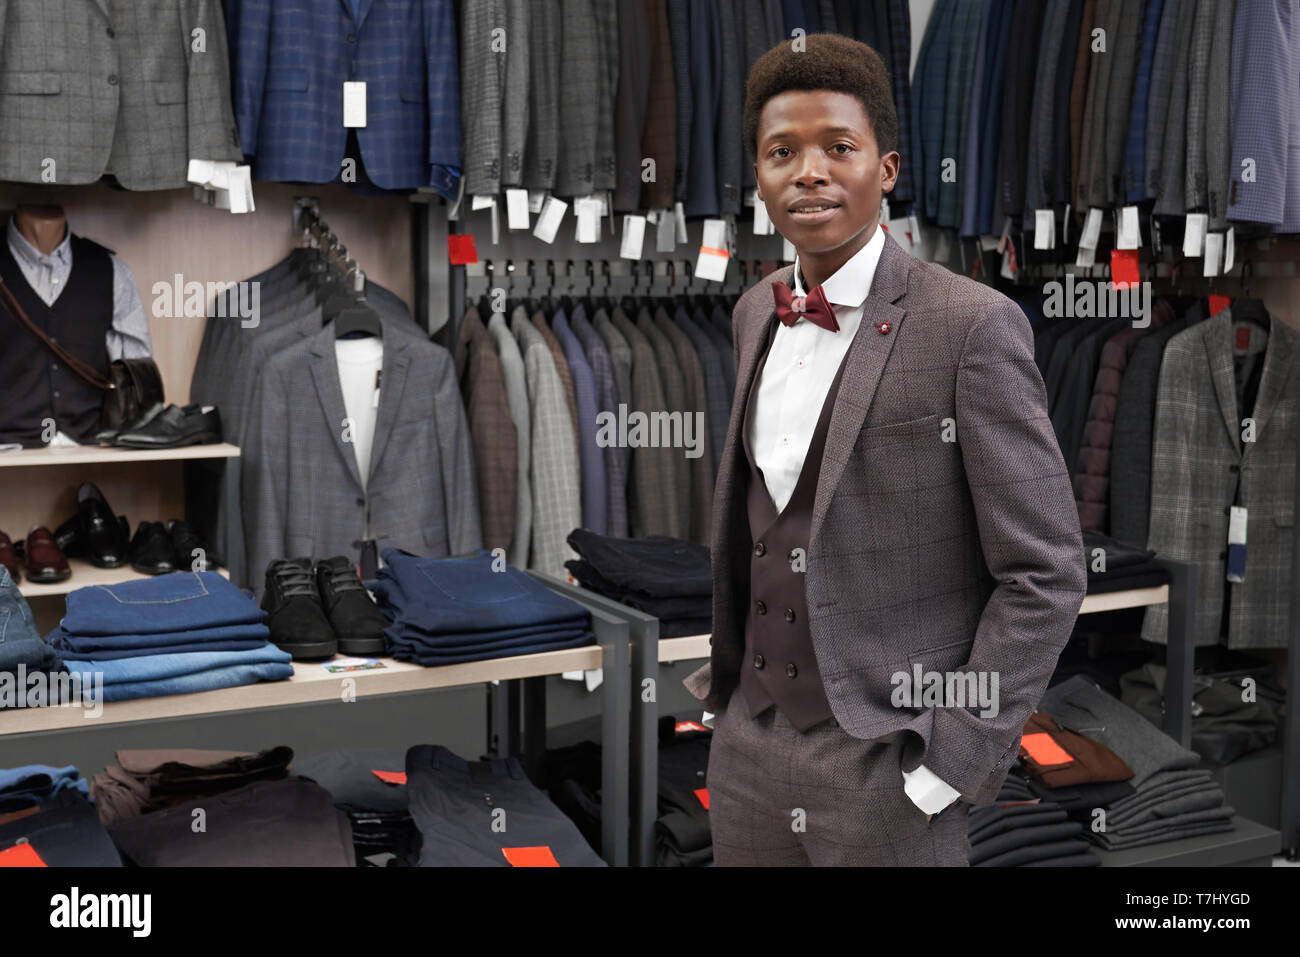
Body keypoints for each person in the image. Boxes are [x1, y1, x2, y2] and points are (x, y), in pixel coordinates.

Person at [683, 33, 1086, 866]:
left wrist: (954, 761)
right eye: (781, 152)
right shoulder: (755, 312)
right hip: (748, 746)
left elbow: (1046, 570)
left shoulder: (972, 325)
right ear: (757, 178)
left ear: (889, 169)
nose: (809, 172)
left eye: (839, 148)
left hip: (889, 761)